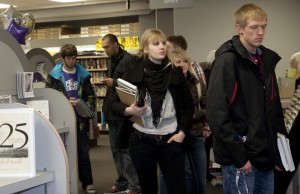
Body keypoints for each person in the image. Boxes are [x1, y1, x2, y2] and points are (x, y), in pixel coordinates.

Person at [206, 3, 287, 194]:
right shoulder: (227, 61)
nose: (260, 32)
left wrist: (276, 154)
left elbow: (273, 109)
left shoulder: (265, 60)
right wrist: (239, 157)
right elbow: (217, 114)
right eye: (254, 27)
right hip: (241, 159)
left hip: (264, 157)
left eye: (264, 27)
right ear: (240, 29)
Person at [111, 28, 194, 194]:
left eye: (163, 43)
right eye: (156, 44)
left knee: (178, 188)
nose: (162, 46)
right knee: (148, 188)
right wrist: (129, 110)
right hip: (142, 141)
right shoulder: (132, 72)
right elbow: (113, 103)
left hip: (171, 140)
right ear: (146, 48)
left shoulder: (175, 72)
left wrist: (182, 133)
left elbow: (189, 105)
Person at [47, 44, 96, 193]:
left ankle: (87, 183)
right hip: (61, 120)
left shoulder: (84, 75)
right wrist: (64, 103)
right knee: (62, 153)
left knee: (83, 153)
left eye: (74, 58)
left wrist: (85, 107)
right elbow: (50, 97)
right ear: (63, 58)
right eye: (69, 58)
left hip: (80, 120)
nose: (72, 61)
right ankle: (65, 182)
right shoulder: (54, 76)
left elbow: (90, 96)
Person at [101, 34, 140, 194]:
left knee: (126, 150)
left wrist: (114, 82)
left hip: (124, 113)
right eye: (103, 47)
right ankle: (122, 181)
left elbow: (134, 84)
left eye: (107, 47)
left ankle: (134, 185)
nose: (105, 50)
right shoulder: (111, 60)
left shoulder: (129, 60)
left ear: (116, 44)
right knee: (115, 150)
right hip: (112, 112)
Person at [169, 48, 209, 194]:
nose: (183, 64)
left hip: (196, 134)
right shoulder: (169, 84)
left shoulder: (197, 82)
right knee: (186, 178)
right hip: (177, 136)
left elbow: (207, 105)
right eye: (178, 62)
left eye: (185, 61)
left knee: (201, 179)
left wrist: (199, 118)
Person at [274, 52, 300, 194]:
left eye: (293, 63)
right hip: (287, 136)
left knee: (283, 175)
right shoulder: (292, 82)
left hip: (292, 137)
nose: (291, 66)